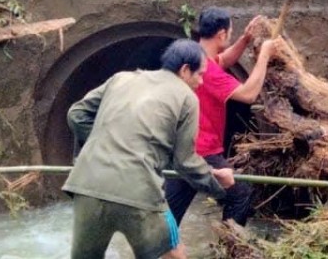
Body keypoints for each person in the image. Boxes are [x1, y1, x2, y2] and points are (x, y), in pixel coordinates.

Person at [63, 39, 236, 259]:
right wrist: (217, 184)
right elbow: (185, 161)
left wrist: (108, 140)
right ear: (184, 70)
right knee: (172, 254)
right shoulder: (186, 98)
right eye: (200, 74)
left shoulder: (120, 79)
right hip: (139, 191)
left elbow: (76, 115)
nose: (201, 82)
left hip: (86, 185)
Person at [164, 8, 279, 229]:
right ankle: (229, 245)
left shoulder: (197, 57)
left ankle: (156, 247)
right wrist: (264, 55)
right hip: (203, 151)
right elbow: (248, 94)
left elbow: (223, 60)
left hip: (181, 147)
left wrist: (245, 40)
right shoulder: (210, 72)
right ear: (222, 34)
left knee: (169, 214)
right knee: (241, 194)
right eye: (231, 33)